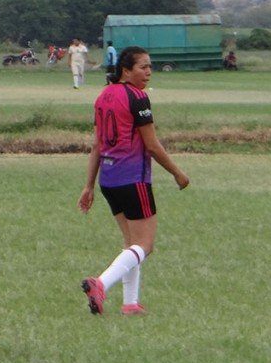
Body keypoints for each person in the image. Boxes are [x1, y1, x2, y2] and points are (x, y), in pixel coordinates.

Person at [77, 46, 190, 316]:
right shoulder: (137, 97)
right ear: (126, 70)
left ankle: (130, 304)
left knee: (131, 244)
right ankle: (100, 284)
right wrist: (177, 173)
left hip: (109, 180)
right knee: (145, 245)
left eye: (150, 67)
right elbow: (152, 145)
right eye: (143, 67)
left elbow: (97, 145)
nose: (149, 72)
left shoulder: (104, 95)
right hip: (133, 179)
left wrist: (89, 185)